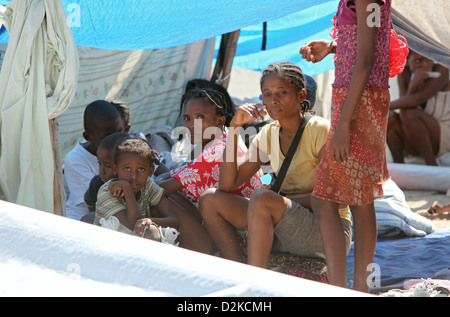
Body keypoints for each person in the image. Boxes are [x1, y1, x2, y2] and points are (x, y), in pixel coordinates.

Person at [199, 62, 352, 268]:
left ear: (300, 96)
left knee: (262, 198)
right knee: (210, 199)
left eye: (282, 92)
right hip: (282, 220)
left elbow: (334, 198)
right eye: (267, 94)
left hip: (325, 231)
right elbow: (228, 185)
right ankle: (237, 270)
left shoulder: (319, 130)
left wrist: (279, 201)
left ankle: (256, 281)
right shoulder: (268, 133)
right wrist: (234, 127)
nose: (274, 100)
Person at [300, 0, 395, 292]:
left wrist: (342, 125)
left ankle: (350, 287)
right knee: (350, 199)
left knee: (341, 200)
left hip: (360, 104)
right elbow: (367, 45)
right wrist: (333, 47)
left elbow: (366, 60)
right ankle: (349, 287)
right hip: (357, 99)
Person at [157, 87, 262, 222]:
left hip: (244, 233)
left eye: (200, 117)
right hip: (243, 223)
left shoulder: (216, 153)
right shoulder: (220, 143)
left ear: (219, 121)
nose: (191, 125)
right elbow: (172, 176)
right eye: (187, 118)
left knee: (159, 199)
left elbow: (160, 189)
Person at [94, 137, 212, 252]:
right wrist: (127, 188)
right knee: (149, 232)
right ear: (115, 169)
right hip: (108, 245)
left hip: (135, 241)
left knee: (150, 229)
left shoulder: (148, 186)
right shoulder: (107, 191)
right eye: (126, 169)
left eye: (141, 169)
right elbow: (133, 224)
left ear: (151, 171)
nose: (134, 176)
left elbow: (174, 220)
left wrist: (150, 220)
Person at [387, 50, 450, 166]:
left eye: (428, 60)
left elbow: (418, 99)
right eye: (418, 60)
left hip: (443, 134)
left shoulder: (442, 70)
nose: (424, 65)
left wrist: (383, 107)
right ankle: (399, 165)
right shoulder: (404, 73)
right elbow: (403, 112)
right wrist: (413, 84)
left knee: (411, 114)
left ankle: (431, 164)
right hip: (417, 133)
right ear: (407, 62)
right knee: (390, 119)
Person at [64, 100, 124, 220]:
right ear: (88, 137)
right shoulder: (75, 159)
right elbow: (96, 202)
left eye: (120, 132)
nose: (116, 139)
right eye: (107, 136)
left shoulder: (125, 147)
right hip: (84, 217)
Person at [82, 132, 130, 223]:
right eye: (99, 163)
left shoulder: (136, 186)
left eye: (108, 166)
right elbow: (92, 209)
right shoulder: (97, 184)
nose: (101, 171)